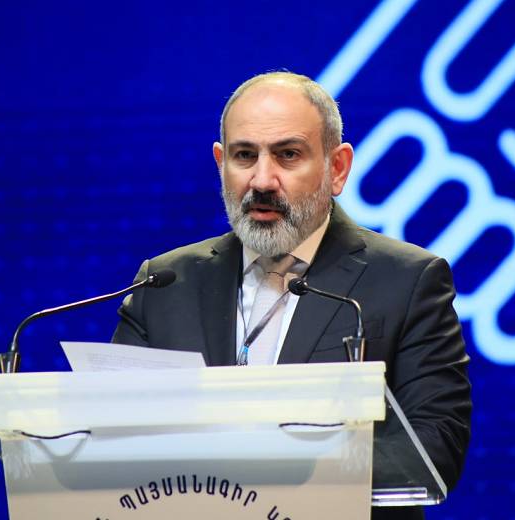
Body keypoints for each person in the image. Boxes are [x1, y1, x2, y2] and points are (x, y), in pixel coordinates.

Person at [112, 72, 471, 519]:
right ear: (221, 163)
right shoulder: (164, 283)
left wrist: (253, 473)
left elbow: (432, 446)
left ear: (337, 168)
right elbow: (109, 435)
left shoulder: (407, 281)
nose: (263, 180)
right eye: (245, 156)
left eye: (288, 155)